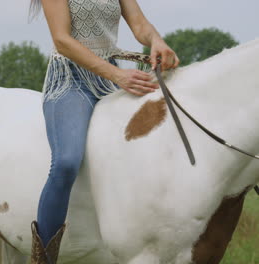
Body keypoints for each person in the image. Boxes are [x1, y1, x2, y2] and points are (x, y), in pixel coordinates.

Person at [28, 0, 180, 263]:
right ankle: (43, 258)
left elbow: (139, 24)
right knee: (66, 162)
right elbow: (62, 40)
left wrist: (156, 40)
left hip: (111, 79)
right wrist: (117, 76)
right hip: (71, 79)